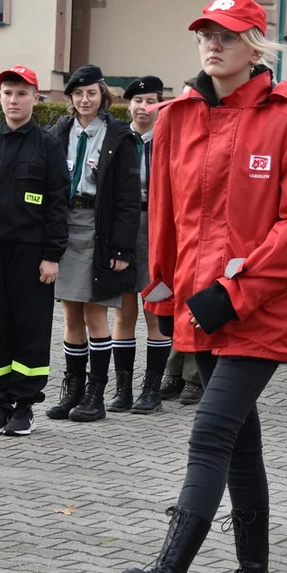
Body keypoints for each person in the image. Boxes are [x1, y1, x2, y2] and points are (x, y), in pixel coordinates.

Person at [112, 0, 287, 573]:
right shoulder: (178, 117)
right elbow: (170, 213)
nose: (214, 45)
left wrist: (234, 294)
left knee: (209, 432)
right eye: (206, 34)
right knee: (239, 445)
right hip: (201, 308)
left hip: (256, 309)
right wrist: (164, 286)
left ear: (256, 45)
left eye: (228, 36)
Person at [0, 65, 69, 436]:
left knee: (30, 329)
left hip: (32, 256)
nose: (13, 100)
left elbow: (57, 205)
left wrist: (52, 255)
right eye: (7, 92)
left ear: (35, 99)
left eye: (22, 93)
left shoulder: (48, 146)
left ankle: (24, 405)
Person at [47, 65, 141, 423]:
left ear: (103, 96)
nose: (84, 100)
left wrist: (121, 250)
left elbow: (129, 199)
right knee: (70, 312)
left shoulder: (119, 137)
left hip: (99, 228)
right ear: (70, 98)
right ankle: (72, 389)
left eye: (91, 93)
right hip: (66, 226)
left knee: (95, 311)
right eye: (78, 94)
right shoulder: (59, 132)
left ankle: (96, 394)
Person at [107, 76, 173, 414]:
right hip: (124, 228)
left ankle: (152, 390)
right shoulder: (118, 139)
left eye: (151, 101)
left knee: (155, 312)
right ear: (128, 105)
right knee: (123, 311)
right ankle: (122, 390)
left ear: (161, 105)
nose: (144, 108)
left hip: (158, 228)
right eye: (138, 101)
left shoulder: (171, 140)